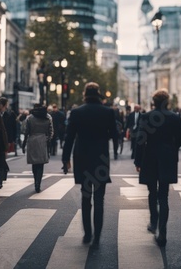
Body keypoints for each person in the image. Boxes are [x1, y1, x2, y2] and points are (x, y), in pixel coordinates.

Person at [62, 82, 118, 247]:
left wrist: (66, 159)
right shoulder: (108, 112)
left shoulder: (77, 112)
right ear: (99, 93)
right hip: (100, 157)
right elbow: (114, 134)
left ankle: (87, 233)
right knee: (99, 198)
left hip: (82, 157)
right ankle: (97, 237)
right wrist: (114, 151)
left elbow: (69, 137)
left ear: (85, 94)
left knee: (86, 196)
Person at [134, 89, 181, 247]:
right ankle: (162, 231)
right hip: (167, 157)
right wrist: (171, 149)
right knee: (164, 196)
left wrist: (138, 161)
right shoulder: (174, 117)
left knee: (151, 192)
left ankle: (153, 221)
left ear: (154, 102)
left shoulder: (147, 116)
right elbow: (180, 138)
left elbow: (140, 140)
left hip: (150, 156)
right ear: (167, 102)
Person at [22, 104, 53, 193]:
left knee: (34, 163)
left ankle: (35, 180)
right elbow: (51, 131)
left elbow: (26, 131)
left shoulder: (30, 118)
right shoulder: (47, 117)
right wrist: (48, 140)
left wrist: (24, 144)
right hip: (43, 140)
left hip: (32, 140)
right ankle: (38, 184)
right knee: (41, 164)